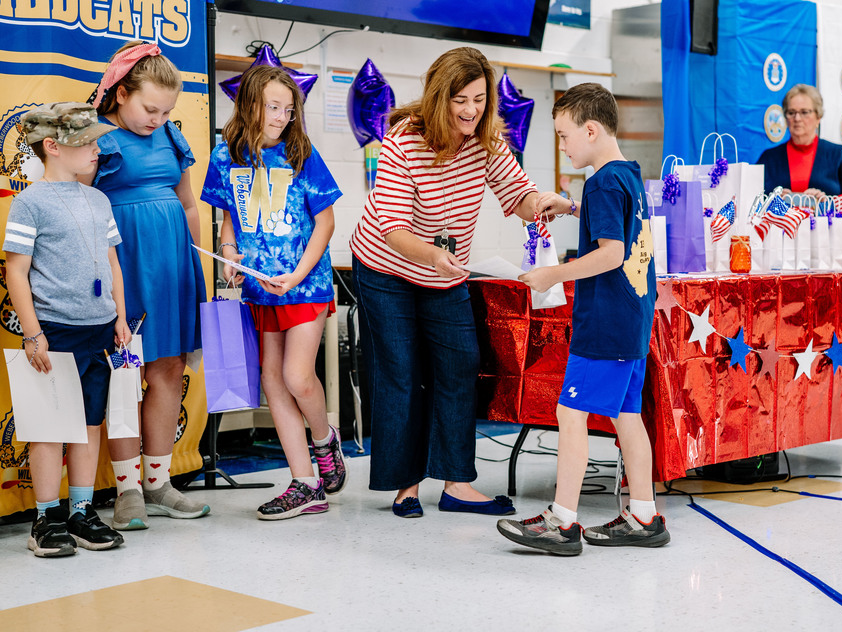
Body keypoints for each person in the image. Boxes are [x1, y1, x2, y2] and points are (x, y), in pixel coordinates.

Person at [349, 47, 550, 518]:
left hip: (443, 272)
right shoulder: (403, 143)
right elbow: (394, 229)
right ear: (440, 98)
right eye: (460, 99)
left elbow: (517, 194)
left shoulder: (485, 141)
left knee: (461, 363)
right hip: (386, 268)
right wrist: (437, 256)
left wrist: (544, 203)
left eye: (479, 99)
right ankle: (406, 487)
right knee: (403, 371)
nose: (470, 110)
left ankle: (458, 483)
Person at [496, 83, 669, 556]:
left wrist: (554, 273)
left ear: (590, 130)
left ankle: (562, 521)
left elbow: (612, 254)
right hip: (632, 321)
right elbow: (622, 227)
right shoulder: (626, 175)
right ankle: (643, 514)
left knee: (570, 413)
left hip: (606, 324)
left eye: (563, 135)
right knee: (627, 417)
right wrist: (570, 206)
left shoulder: (601, 182)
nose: (561, 144)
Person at [201, 65, 346, 520]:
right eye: (273, 107)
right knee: (271, 380)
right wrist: (230, 257)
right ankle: (305, 483)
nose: (282, 117)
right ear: (249, 105)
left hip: (307, 285)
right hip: (260, 291)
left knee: (298, 376)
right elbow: (229, 219)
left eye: (289, 109)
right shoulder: (226, 155)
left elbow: (325, 222)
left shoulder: (301, 152)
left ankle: (324, 440)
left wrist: (299, 274)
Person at [87, 41, 209, 529]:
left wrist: (196, 266)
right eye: (149, 108)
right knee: (122, 374)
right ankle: (127, 490)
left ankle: (158, 482)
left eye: (166, 110)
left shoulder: (171, 139)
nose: (157, 118)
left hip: (173, 266)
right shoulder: (96, 140)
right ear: (120, 95)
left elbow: (189, 205)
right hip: (122, 267)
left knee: (168, 369)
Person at [5, 103, 130, 556]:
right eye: (88, 143)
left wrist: (119, 315)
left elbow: (112, 260)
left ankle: (80, 511)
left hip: (98, 329)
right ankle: (45, 517)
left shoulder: (99, 199)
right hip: (54, 333)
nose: (97, 150)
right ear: (53, 147)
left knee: (89, 424)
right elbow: (16, 271)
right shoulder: (30, 201)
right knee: (49, 428)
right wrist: (34, 332)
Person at [756, 84, 842, 214]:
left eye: (804, 112)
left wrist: (828, 204)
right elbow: (751, 200)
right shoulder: (769, 157)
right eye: (791, 112)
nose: (797, 118)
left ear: (818, 117)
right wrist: (772, 203)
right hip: (780, 233)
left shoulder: (837, 154)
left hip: (826, 233)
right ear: (785, 118)